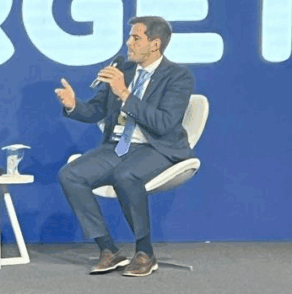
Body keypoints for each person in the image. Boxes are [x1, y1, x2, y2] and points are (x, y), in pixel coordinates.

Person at [55, 16, 195, 277]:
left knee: (125, 175)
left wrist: (124, 93)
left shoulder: (178, 76)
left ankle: (145, 252)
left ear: (155, 44)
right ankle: (108, 249)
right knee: (70, 175)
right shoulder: (124, 69)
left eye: (136, 38)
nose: (128, 43)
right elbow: (96, 110)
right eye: (130, 37)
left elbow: (164, 123)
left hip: (157, 148)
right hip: (119, 146)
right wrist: (73, 105)